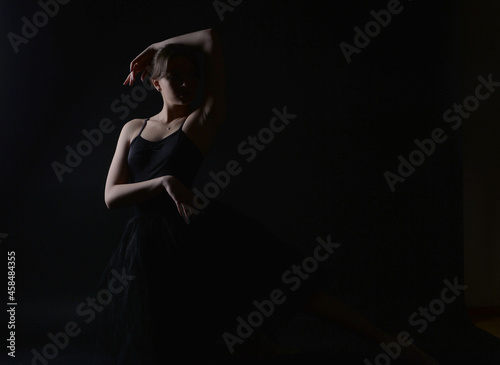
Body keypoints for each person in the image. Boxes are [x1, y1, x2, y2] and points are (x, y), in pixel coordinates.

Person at [99, 27, 440, 364]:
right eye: (175, 76)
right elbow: (112, 196)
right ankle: (256, 346)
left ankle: (393, 342)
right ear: (155, 82)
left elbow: (211, 38)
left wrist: (156, 46)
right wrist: (163, 182)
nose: (187, 83)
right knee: (180, 333)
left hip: (196, 229)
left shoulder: (202, 120)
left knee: (296, 288)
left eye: (192, 76)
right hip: (148, 242)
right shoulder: (134, 128)